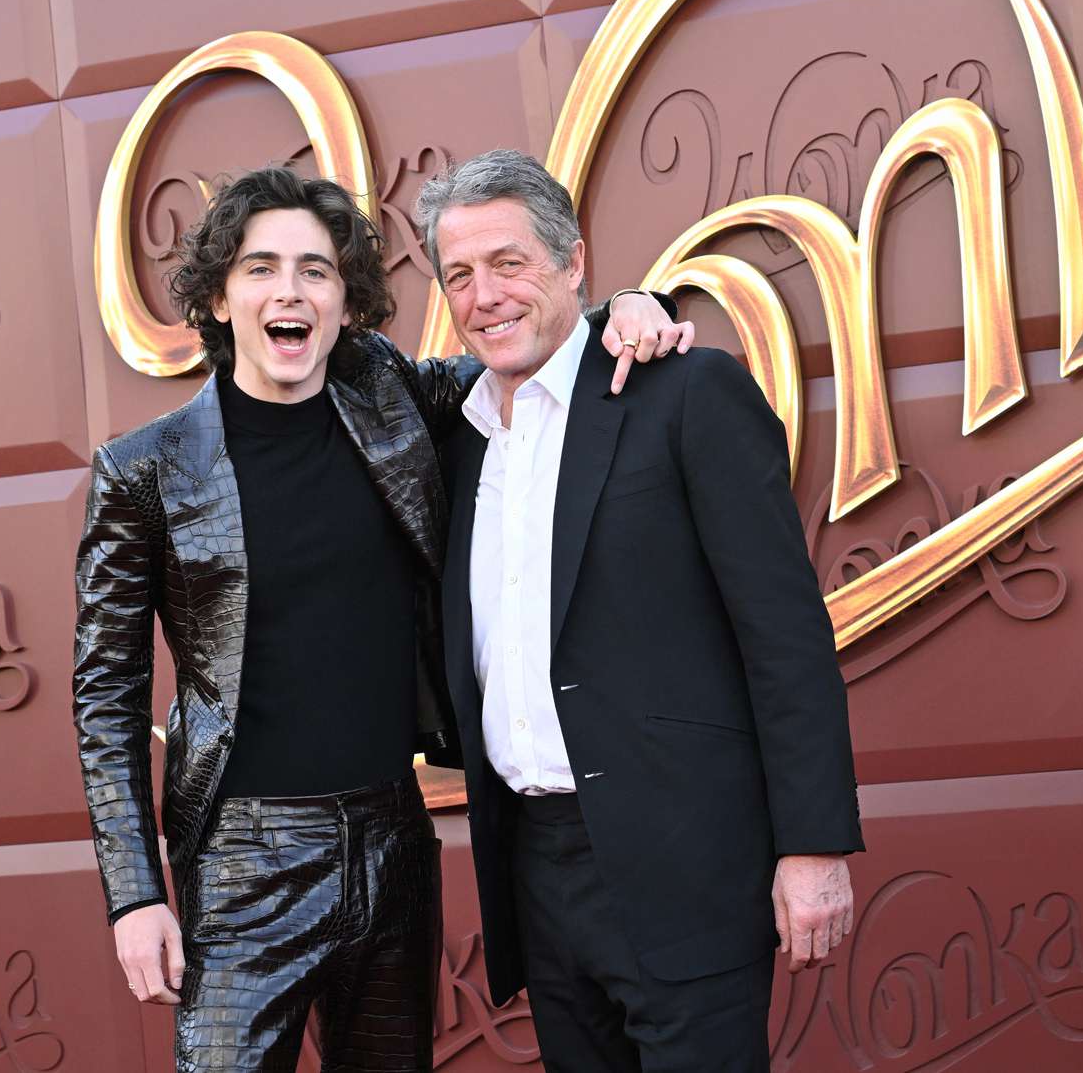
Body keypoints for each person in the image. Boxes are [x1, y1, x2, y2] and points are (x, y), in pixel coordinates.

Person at [71, 163, 689, 1072]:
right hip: (243, 861)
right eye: (261, 267)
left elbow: (518, 342)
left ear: (346, 299)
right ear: (216, 294)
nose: (290, 291)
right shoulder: (144, 471)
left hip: (393, 842)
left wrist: (631, 302)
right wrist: (134, 895)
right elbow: (106, 701)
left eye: (316, 270)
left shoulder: (390, 400)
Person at [417, 149, 863, 1072]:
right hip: (535, 869)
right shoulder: (458, 443)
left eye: (509, 263)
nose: (485, 295)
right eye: (459, 274)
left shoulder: (685, 393)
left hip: (683, 861)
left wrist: (813, 844)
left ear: (573, 262)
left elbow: (784, 633)